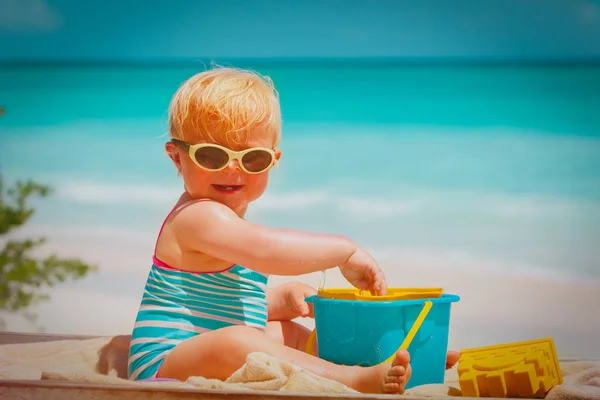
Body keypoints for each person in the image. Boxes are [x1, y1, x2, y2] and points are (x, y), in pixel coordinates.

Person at [127, 66, 458, 394]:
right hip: (165, 364)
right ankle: (353, 378)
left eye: (252, 158)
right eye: (212, 155)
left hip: (208, 352)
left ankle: (390, 359)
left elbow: (216, 302)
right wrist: (345, 251)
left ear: (273, 160)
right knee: (240, 341)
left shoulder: (229, 226)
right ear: (176, 158)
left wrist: (280, 301)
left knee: (288, 334)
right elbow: (269, 252)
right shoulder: (196, 217)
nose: (233, 168)